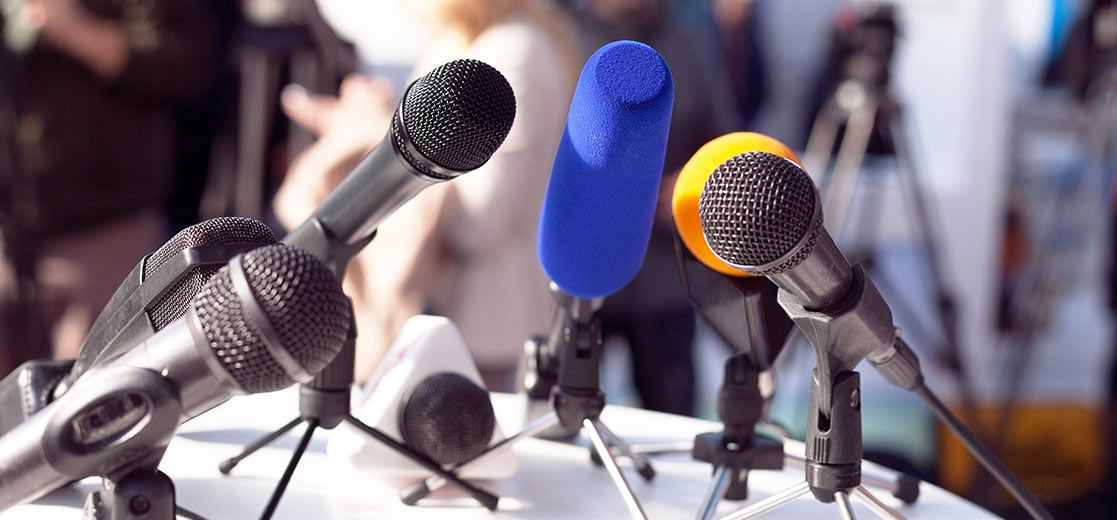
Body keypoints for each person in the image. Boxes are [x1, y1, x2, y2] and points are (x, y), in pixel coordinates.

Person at [273, 0, 579, 387]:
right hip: (440, 318)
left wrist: (374, 132)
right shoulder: (464, 40)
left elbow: (479, 224)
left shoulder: (513, 51)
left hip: (479, 325)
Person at [0, 0, 218, 370]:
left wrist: (77, 31)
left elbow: (188, 62)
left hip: (105, 233)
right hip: (10, 236)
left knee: (102, 403)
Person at [564, 0, 737, 415]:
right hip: (582, 271)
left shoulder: (687, 42)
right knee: (566, 418)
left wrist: (687, 183)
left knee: (672, 412)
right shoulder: (564, 36)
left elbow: (721, 144)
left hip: (662, 278)